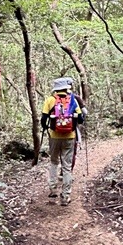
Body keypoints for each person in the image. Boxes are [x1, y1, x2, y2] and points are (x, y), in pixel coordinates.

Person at [40, 77, 85, 205]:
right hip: (70, 137)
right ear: (67, 88)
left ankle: (53, 190)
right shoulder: (73, 101)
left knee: (54, 162)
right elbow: (81, 119)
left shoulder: (50, 100)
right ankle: (65, 196)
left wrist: (47, 127)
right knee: (67, 166)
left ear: (56, 89)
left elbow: (43, 120)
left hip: (54, 136)